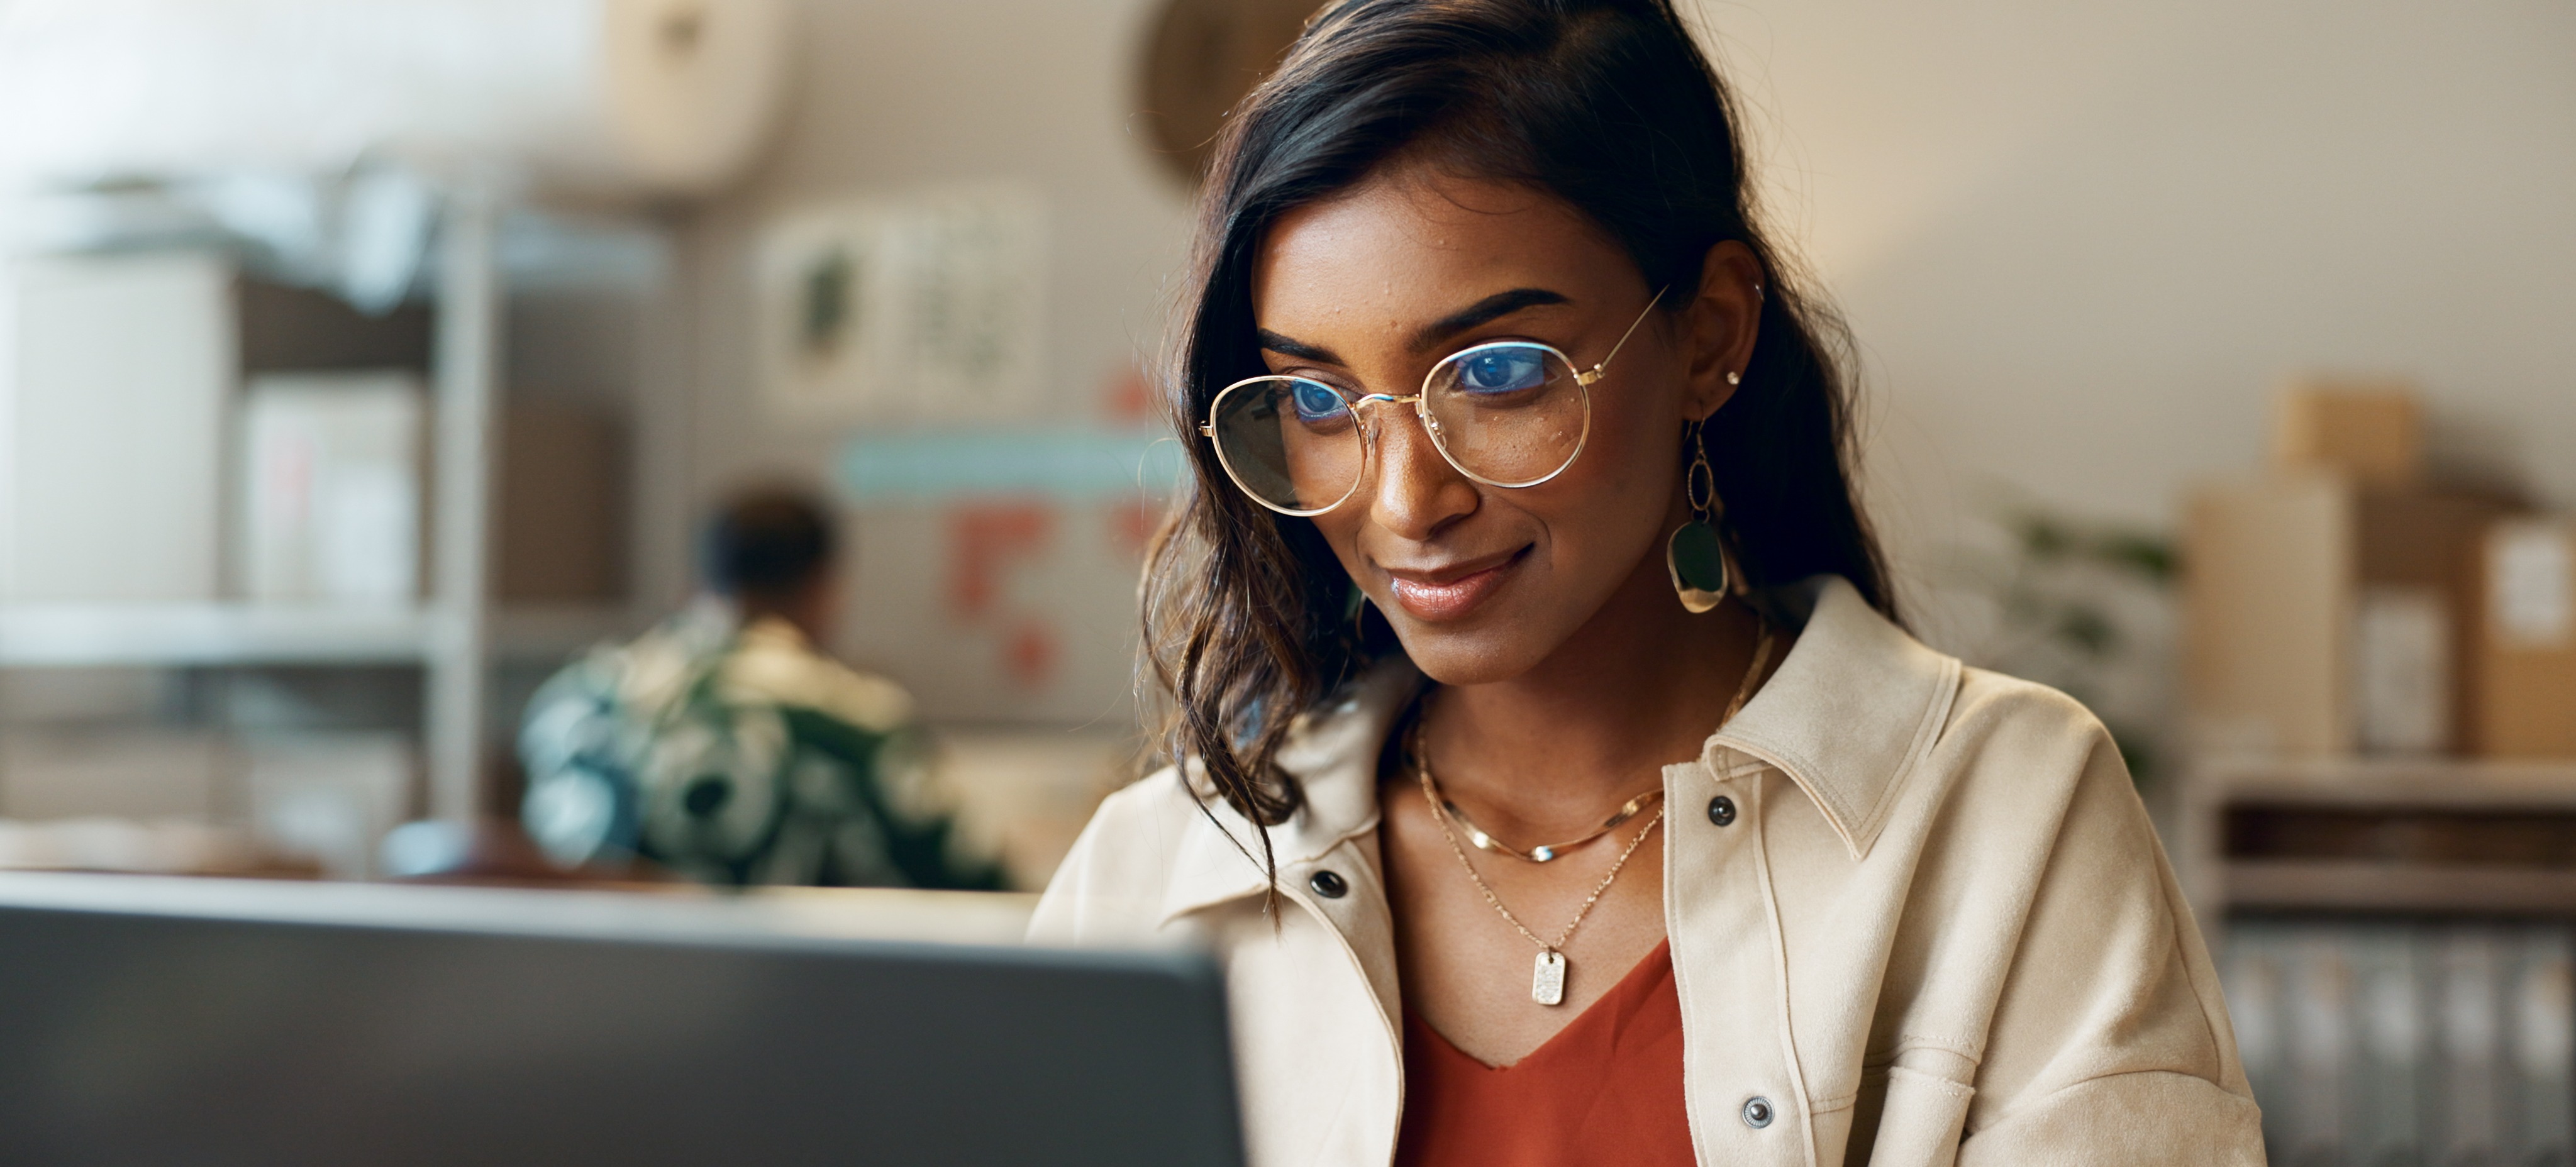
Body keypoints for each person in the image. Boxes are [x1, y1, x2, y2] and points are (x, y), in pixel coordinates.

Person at [1030, 2, 2262, 1164]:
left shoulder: (1999, 814)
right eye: (1314, 398)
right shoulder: (1163, 867)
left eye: (1497, 372)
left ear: (1711, 334)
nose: (1403, 501)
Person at [518, 488, 1003, 890]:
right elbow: (977, 891)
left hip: (586, 995)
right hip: (781, 998)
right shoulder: (854, 719)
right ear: (824, 590)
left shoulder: (577, 702)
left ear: (693, 585)